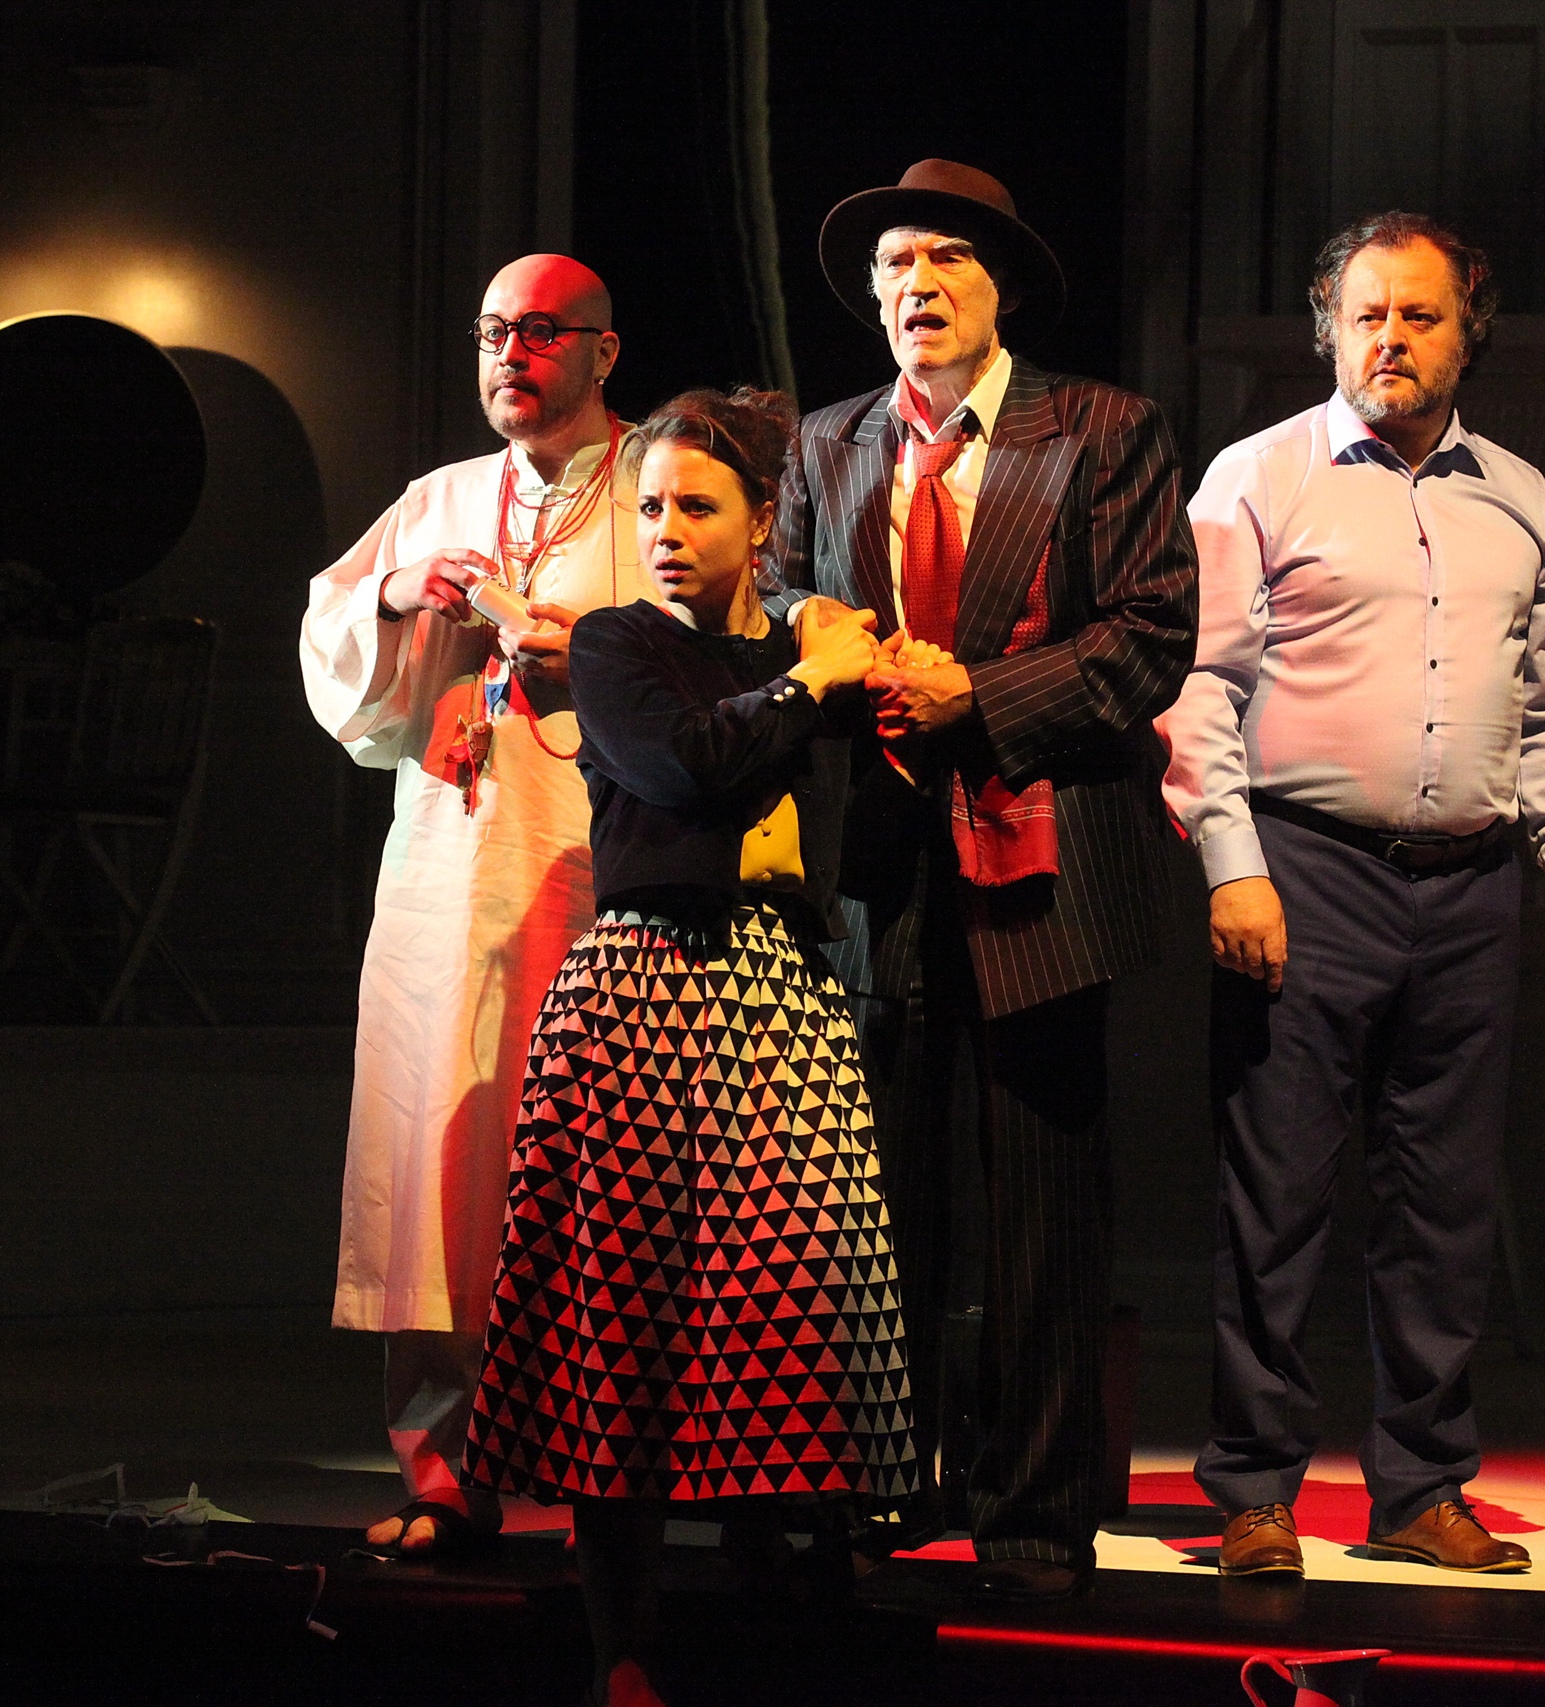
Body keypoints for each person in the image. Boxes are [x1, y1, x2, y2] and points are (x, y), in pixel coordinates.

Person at [1159, 212, 1545, 1577]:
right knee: (1277, 1197)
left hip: (1470, 888)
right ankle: (1255, 1491)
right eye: (1368, 314)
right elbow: (1201, 687)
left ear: (1469, 334)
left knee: (1446, 1203)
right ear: (1328, 330)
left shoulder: (1520, 496)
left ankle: (1421, 1488)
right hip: (1304, 871)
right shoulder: (1259, 475)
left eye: (1422, 315)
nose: (1392, 339)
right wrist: (1233, 866)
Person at [769, 160, 1199, 1601]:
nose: (919, 284)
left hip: (1046, 853)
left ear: (999, 284)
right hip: (880, 863)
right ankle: (881, 1486)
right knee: (875, 1199)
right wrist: (824, 631)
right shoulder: (828, 441)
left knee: (1041, 1207)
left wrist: (983, 695)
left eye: (947, 258)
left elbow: (1150, 637)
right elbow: (780, 594)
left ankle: (1034, 1516)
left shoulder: (1102, 429)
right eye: (896, 263)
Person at [463, 387, 914, 1707]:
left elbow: (867, 833)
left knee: (793, 1318)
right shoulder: (617, 646)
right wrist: (812, 680)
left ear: (763, 521)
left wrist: (860, 680)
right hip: (643, 989)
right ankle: (624, 1651)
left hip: (783, 993)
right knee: (624, 1328)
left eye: (697, 508)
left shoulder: (811, 651)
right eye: (651, 506)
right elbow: (688, 769)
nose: (664, 530)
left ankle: (788, 1630)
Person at [299, 254, 651, 1555]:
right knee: (440, 1162)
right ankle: (443, 1473)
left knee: (597, 1174)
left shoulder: (660, 488)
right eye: (496, 330)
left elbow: (722, 656)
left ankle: (606, 1488)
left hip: (600, 868)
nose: (513, 353)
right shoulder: (442, 499)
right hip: (451, 876)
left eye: (544, 332)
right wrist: (401, 598)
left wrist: (586, 655)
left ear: (604, 353)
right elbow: (341, 662)